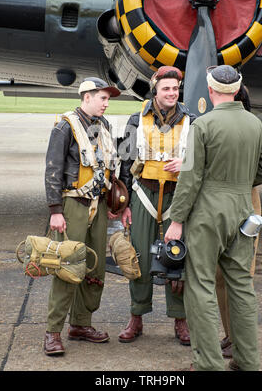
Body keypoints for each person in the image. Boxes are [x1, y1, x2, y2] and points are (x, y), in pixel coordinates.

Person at [164, 65, 262, 371]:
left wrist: (176, 220)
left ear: (211, 90)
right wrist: (240, 183)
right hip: (244, 212)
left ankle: (208, 363)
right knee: (241, 286)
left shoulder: (204, 125)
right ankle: (246, 361)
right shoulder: (256, 125)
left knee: (200, 286)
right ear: (238, 89)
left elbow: (189, 178)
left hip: (208, 214)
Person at [118, 66, 196, 345]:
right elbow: (125, 163)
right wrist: (124, 203)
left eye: (175, 88)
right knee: (138, 256)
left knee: (177, 255)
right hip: (143, 194)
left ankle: (180, 318)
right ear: (155, 90)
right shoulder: (135, 119)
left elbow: (203, 160)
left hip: (178, 195)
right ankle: (136, 316)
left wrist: (186, 164)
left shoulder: (192, 120)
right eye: (166, 88)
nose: (172, 93)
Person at [44, 77, 120, 355]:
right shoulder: (65, 127)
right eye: (102, 98)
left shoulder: (105, 126)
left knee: (94, 267)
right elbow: (52, 169)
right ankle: (53, 332)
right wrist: (55, 211)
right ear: (86, 97)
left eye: (108, 99)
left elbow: (109, 166)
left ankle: (81, 323)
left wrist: (114, 202)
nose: (106, 103)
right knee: (66, 266)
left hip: (98, 205)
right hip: (72, 204)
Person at [217, 83, 261, 359]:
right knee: (220, 277)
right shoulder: (213, 125)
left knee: (240, 277)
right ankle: (230, 335)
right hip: (221, 209)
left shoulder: (253, 129)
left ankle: (242, 344)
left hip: (244, 206)